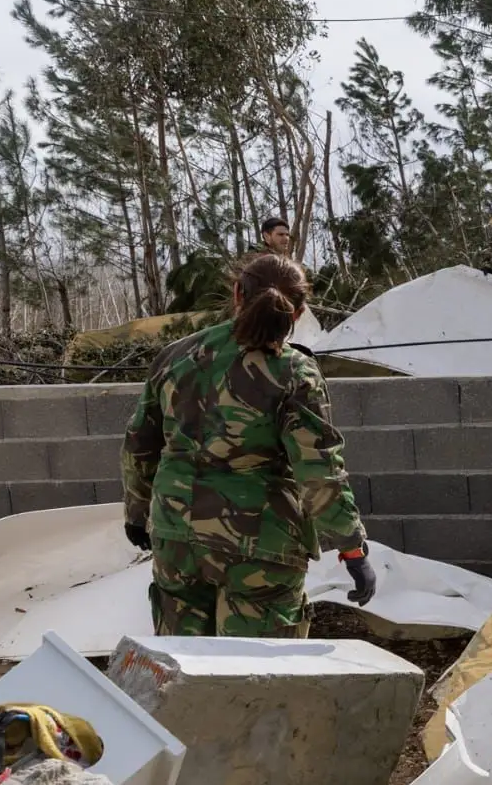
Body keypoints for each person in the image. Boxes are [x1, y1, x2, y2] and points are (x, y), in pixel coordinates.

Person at [120, 253, 376, 637]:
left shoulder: (175, 357)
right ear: (299, 311)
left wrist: (137, 514)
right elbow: (318, 469)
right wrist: (351, 546)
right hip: (260, 543)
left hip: (176, 538)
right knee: (259, 677)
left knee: (182, 671)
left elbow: (140, 445)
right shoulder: (294, 371)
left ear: (237, 292)